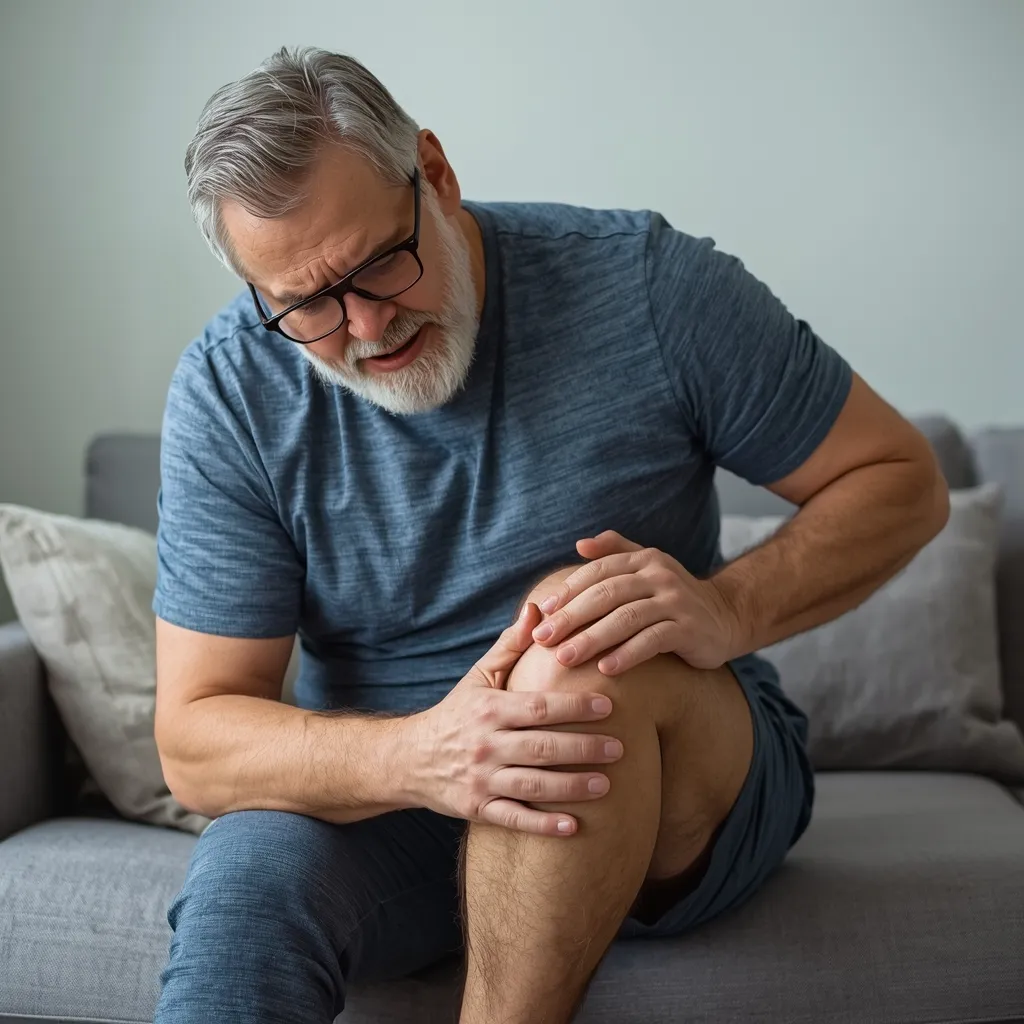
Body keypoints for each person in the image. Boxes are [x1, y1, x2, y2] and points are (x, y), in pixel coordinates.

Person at [152, 45, 949, 1024]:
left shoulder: (651, 288)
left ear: (434, 175)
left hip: (671, 780)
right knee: (246, 876)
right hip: (397, 787)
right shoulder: (230, 388)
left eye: (376, 265)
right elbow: (195, 741)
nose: (362, 325)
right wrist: (423, 756)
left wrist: (726, 604)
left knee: (572, 665)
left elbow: (900, 482)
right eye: (307, 305)